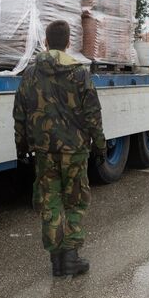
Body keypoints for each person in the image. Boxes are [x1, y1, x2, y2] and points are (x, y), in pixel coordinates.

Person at [13, 20, 107, 277]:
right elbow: (92, 115)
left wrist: (21, 147)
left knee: (50, 201)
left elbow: (19, 112)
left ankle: (56, 260)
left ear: (45, 41)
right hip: (75, 150)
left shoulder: (30, 74)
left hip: (44, 151)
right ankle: (71, 257)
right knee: (75, 202)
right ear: (68, 43)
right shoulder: (79, 73)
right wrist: (100, 146)